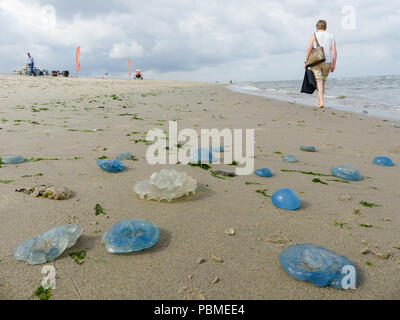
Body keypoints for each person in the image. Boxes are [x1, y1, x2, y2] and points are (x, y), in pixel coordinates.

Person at [304, 20, 337, 108]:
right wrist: (334, 63)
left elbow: (309, 49)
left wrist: (306, 61)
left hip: (315, 61)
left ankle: (321, 101)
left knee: (319, 80)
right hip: (327, 61)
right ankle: (320, 99)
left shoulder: (314, 35)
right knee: (323, 81)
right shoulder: (331, 36)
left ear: (316, 27)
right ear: (325, 27)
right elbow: (334, 51)